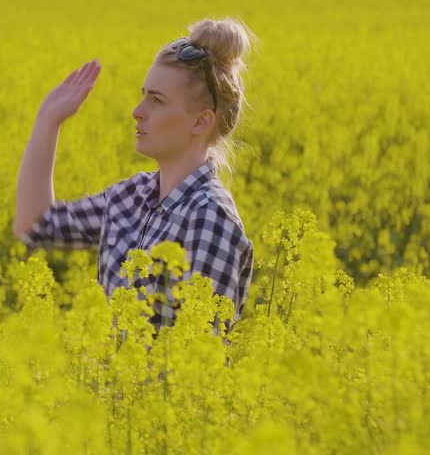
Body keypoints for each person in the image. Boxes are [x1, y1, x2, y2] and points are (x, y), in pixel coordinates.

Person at [13, 18, 255, 333]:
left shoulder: (210, 217)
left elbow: (199, 357)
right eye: (143, 96)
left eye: (156, 100)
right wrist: (48, 120)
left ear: (200, 122)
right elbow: (35, 226)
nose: (137, 111)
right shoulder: (132, 196)